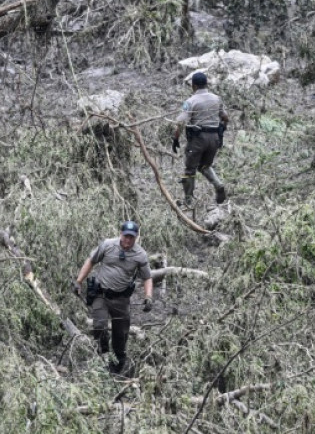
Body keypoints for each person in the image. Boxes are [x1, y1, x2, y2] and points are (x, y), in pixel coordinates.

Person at [73, 220, 153, 375]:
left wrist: (148, 296)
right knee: (100, 326)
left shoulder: (140, 255)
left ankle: (118, 365)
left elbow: (147, 277)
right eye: (126, 236)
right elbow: (91, 260)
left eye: (132, 237)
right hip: (100, 294)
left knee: (120, 334)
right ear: (120, 234)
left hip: (121, 299)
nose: (128, 240)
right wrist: (78, 281)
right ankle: (102, 355)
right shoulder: (108, 245)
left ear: (136, 237)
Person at [172, 71, 230, 207]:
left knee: (189, 170)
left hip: (198, 139)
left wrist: (175, 139)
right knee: (205, 166)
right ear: (206, 84)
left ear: (194, 86)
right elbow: (225, 118)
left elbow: (180, 122)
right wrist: (221, 132)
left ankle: (188, 201)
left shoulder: (191, 101)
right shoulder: (217, 99)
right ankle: (218, 185)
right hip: (214, 138)